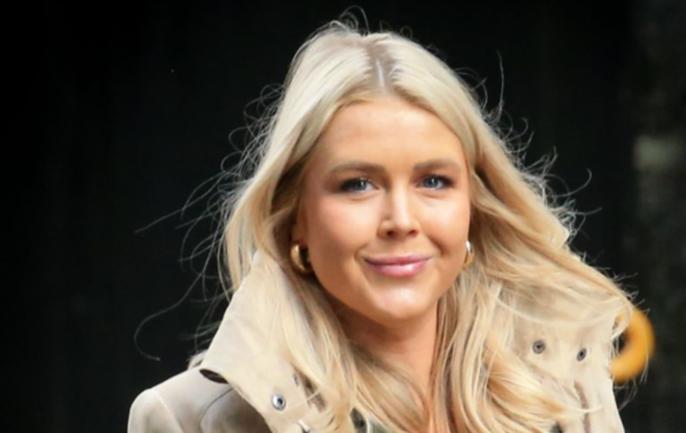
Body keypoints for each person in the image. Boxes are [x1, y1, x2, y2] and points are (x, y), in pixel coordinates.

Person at [128, 17, 633, 433]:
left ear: (473, 206)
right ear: (296, 219)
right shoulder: (189, 420)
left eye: (433, 181)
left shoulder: (563, 378)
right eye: (357, 185)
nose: (401, 220)